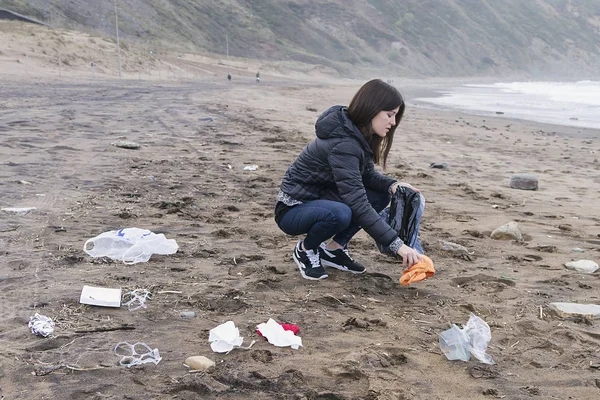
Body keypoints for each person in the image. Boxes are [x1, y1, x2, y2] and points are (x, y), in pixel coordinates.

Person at [274, 79, 425, 280]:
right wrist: (397, 245)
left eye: (395, 116)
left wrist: (393, 185)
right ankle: (306, 249)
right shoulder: (344, 144)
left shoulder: (358, 135)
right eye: (389, 115)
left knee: (380, 194)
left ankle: (334, 250)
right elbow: (357, 202)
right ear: (372, 109)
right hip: (292, 209)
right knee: (341, 213)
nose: (393, 122)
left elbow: (367, 177)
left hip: (321, 200)